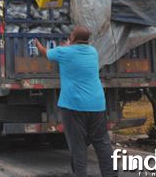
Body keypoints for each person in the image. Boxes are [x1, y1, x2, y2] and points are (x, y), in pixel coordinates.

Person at [34, 26, 117, 177]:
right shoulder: (93, 52)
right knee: (102, 144)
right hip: (97, 104)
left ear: (72, 38)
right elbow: (74, 51)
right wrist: (69, 45)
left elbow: (46, 53)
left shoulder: (64, 52)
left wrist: (38, 45)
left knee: (78, 145)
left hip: (73, 105)